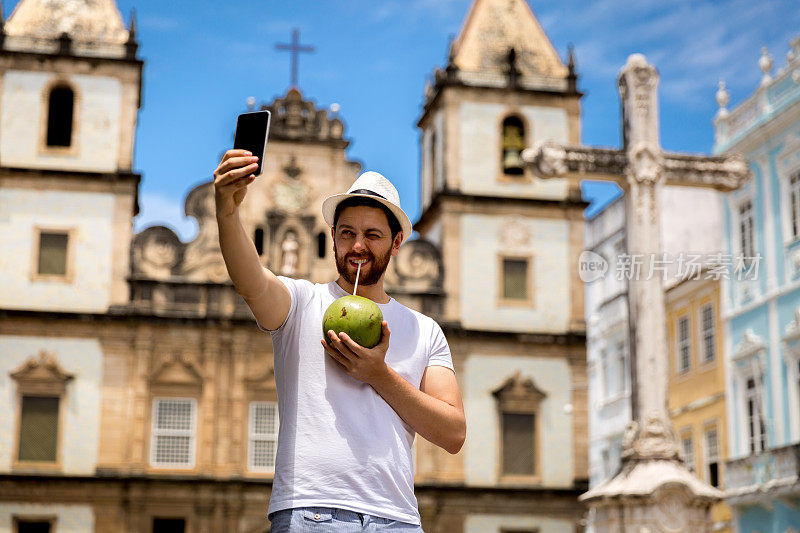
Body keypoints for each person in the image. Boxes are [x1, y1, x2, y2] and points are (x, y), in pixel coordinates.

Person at [213, 150, 466, 532]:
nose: (357, 246)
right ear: (333, 237)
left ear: (396, 243)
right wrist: (227, 213)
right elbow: (251, 283)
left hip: (396, 519)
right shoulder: (301, 303)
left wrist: (378, 374)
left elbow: (453, 433)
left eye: (372, 235)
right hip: (312, 511)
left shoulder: (424, 330)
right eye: (347, 233)